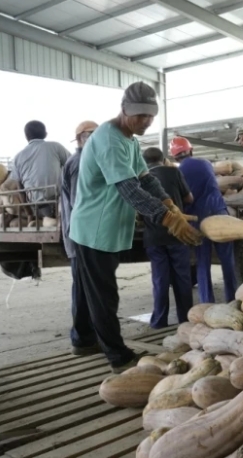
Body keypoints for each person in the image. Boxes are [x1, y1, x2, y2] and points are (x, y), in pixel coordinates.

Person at [69, 82, 204, 373]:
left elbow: (145, 178)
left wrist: (169, 203)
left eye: (150, 117)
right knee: (103, 293)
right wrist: (166, 219)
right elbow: (129, 189)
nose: (145, 122)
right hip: (96, 229)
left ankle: (82, 340)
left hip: (100, 228)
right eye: (139, 116)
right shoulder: (108, 139)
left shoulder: (129, 140)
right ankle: (118, 356)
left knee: (85, 287)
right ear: (124, 110)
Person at [170, 136, 239, 303]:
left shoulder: (177, 172)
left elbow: (183, 199)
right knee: (227, 260)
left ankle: (207, 301)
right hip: (220, 214)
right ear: (191, 150)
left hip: (199, 219)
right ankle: (233, 298)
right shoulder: (206, 163)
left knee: (203, 261)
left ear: (174, 157)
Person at [142, 147, 195, 329]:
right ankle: (186, 319)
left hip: (154, 236)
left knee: (160, 280)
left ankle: (159, 322)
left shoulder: (141, 177)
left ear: (144, 162)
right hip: (177, 233)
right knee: (182, 278)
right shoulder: (174, 172)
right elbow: (189, 199)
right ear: (163, 159)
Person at [61, 120, 98, 355]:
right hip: (83, 236)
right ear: (83, 137)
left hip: (85, 235)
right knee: (84, 290)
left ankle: (88, 337)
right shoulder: (79, 163)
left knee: (90, 289)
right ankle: (82, 340)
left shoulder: (86, 161)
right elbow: (80, 204)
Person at [10, 120, 70, 220]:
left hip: (33, 206)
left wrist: (29, 213)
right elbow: (72, 165)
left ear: (26, 136)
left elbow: (20, 188)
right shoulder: (56, 147)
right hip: (58, 204)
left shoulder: (18, 157)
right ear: (45, 134)